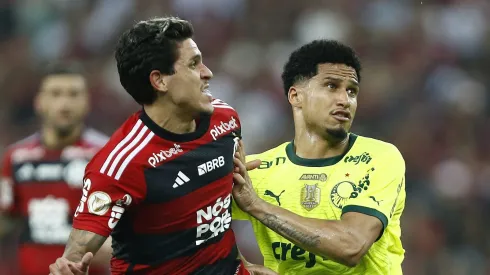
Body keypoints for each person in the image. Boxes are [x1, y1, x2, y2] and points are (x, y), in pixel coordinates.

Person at [48, 17, 275, 275]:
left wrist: (245, 266)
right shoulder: (120, 165)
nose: (207, 72)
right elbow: (74, 258)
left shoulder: (226, 120)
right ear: (160, 81)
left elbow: (216, 223)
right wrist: (67, 269)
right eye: (193, 64)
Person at [231, 39, 406, 275]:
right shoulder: (258, 169)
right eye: (332, 86)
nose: (345, 100)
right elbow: (191, 218)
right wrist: (239, 266)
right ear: (296, 96)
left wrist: (257, 206)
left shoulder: (378, 158)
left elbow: (351, 246)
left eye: (352, 91)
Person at [0, 63, 112, 275]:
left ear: (87, 102)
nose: (64, 103)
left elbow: (127, 227)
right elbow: (5, 218)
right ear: (39, 102)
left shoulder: (107, 157)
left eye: (73, 94)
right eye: (55, 93)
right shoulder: (15, 157)